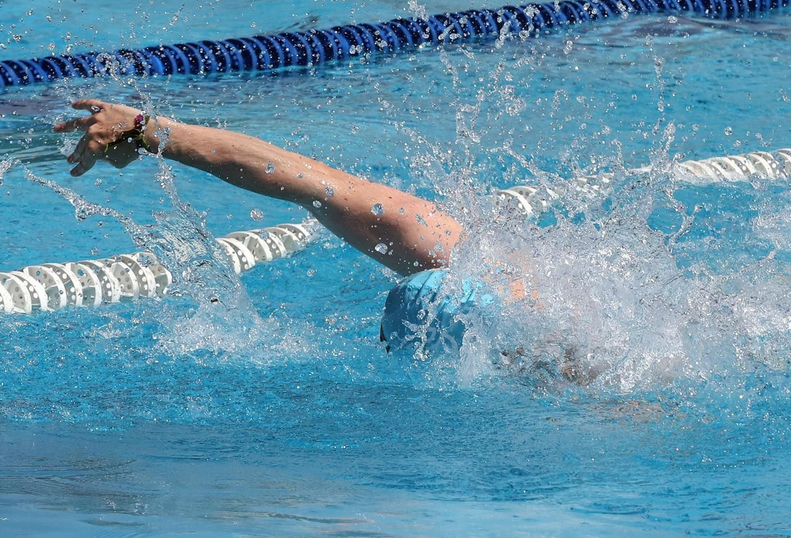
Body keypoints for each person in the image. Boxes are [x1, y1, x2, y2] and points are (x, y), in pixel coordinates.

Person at [55, 100, 506, 357]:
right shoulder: (523, 287)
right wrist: (144, 131)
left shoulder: (455, 251)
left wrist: (149, 130)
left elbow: (305, 180)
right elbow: (303, 183)